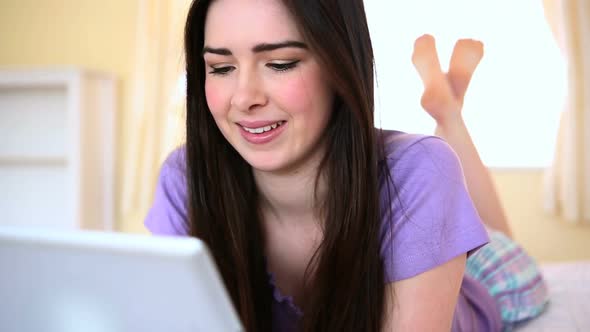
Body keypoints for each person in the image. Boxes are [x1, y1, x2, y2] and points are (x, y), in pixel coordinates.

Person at [145, 0, 548, 331]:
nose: (244, 97)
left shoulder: (421, 168)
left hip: (489, 274)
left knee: (496, 238)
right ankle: (448, 111)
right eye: (221, 67)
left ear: (341, 67)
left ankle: (450, 118)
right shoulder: (185, 178)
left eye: (281, 63)